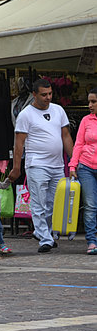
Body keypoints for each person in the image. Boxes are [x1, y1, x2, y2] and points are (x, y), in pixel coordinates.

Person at [8, 79, 74, 253]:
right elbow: (19, 143)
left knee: (54, 203)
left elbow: (66, 136)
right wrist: (17, 167)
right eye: (44, 95)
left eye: (50, 94)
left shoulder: (58, 110)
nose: (48, 97)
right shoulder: (25, 114)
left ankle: (44, 232)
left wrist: (73, 161)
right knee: (39, 202)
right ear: (34, 95)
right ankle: (45, 238)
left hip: (57, 165)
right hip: (36, 164)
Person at [69, 88, 97, 255]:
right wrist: (73, 166)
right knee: (91, 205)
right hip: (86, 167)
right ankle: (92, 242)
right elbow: (78, 144)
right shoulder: (86, 120)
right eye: (89, 101)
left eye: (94, 102)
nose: (90, 105)